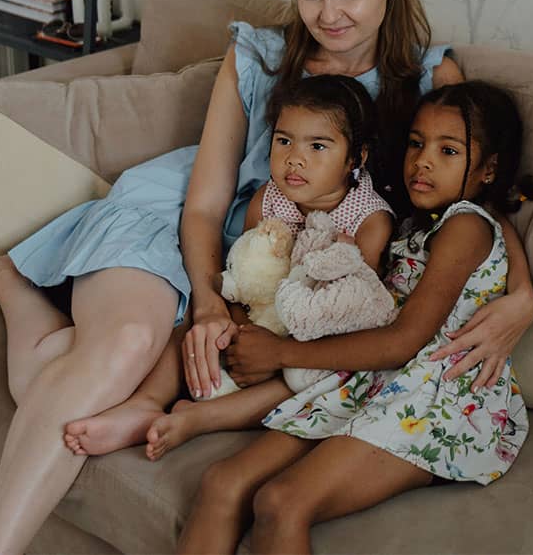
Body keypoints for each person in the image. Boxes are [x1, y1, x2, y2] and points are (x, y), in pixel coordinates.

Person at [0, 0, 533, 555]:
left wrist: (523, 296)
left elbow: (475, 199)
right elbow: (204, 203)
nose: (329, 16)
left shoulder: (429, 75)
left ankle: (18, 293)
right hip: (178, 217)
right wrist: (207, 301)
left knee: (64, 381)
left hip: (272, 260)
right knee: (126, 344)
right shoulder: (257, 54)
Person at [177, 80, 530, 555]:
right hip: (369, 380)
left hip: (437, 397)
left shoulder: (466, 225)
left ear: (489, 168)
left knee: (280, 502)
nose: (423, 161)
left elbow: (404, 341)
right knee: (222, 482)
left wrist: (281, 352)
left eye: (448, 151)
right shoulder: (407, 217)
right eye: (416, 144)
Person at [145, 73, 396, 461]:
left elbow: (355, 310)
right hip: (258, 323)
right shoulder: (269, 198)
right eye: (284, 141)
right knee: (189, 323)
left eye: (317, 146)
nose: (294, 158)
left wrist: (276, 353)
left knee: (302, 381)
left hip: (312, 344)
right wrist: (240, 334)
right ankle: (148, 400)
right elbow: (242, 278)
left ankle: (198, 419)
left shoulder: (370, 221)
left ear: (356, 158)